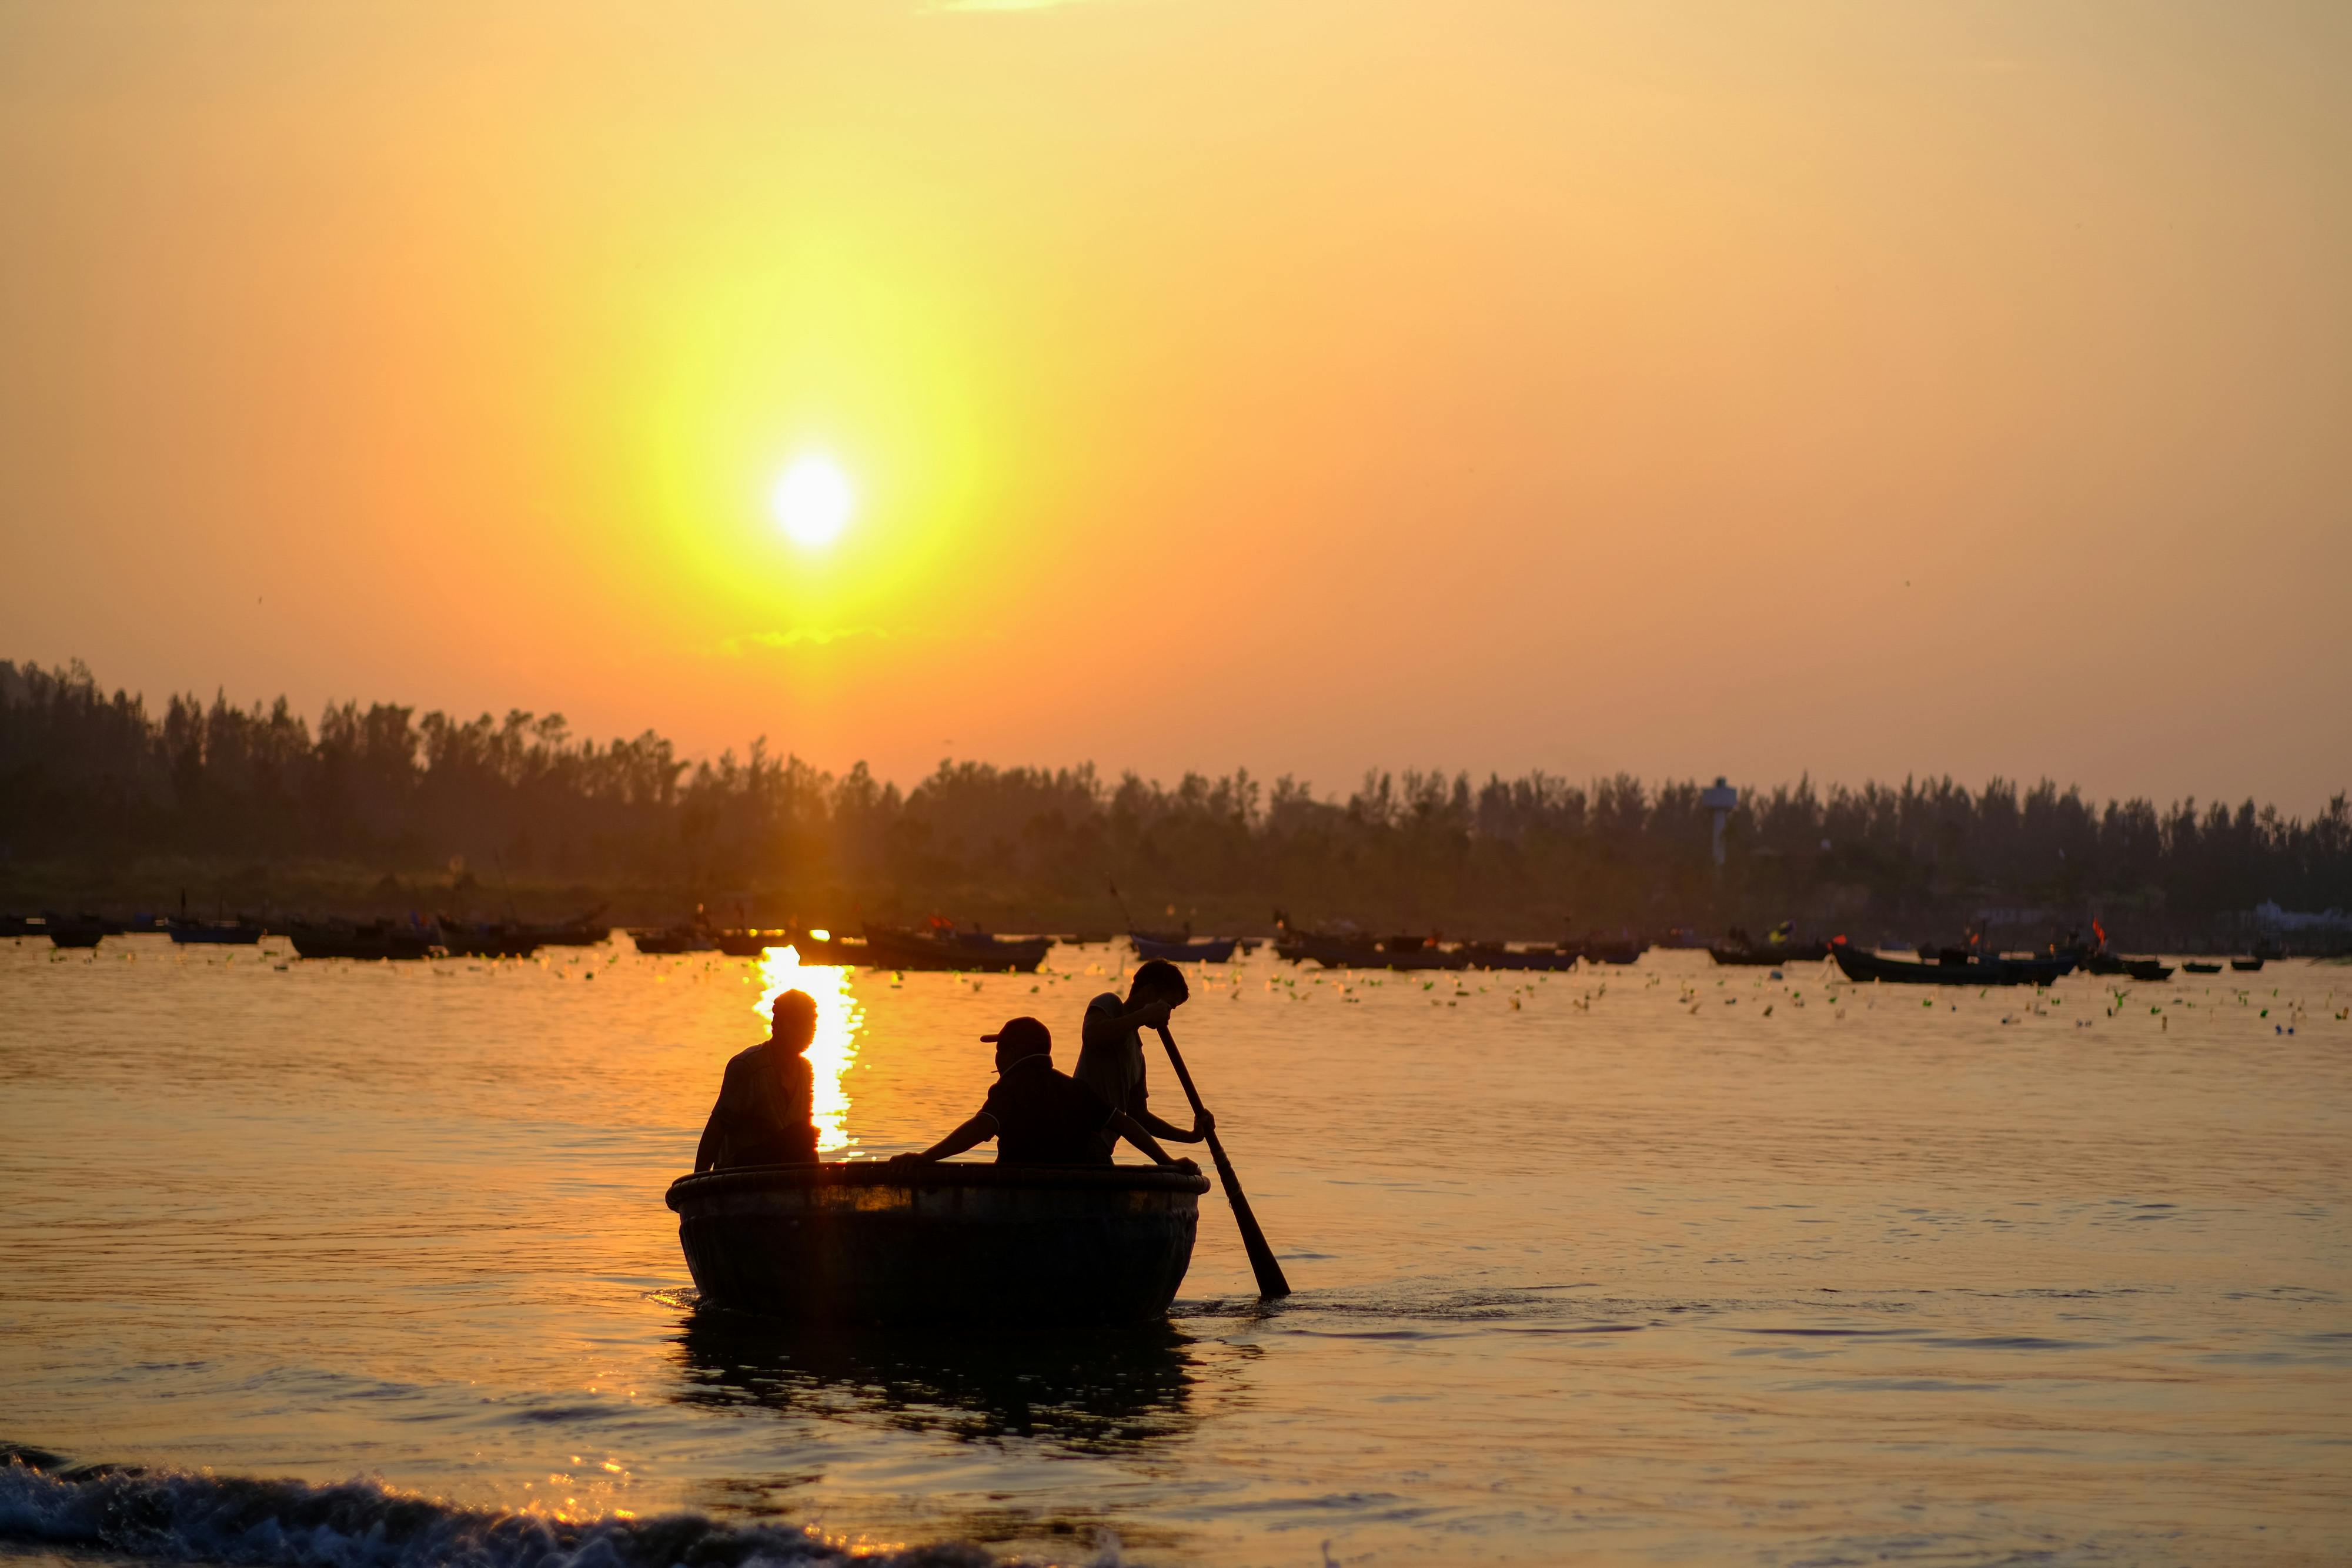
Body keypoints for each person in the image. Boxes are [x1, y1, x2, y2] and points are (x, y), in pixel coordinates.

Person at [888, 1016, 1196, 1169]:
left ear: (1012, 1054)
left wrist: (925, 1159)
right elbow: (1126, 1124)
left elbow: (981, 1128)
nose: (997, 1058)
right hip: (1075, 1198)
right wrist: (1167, 1163)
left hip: (1019, 1199)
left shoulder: (1010, 1087)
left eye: (1000, 1050)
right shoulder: (1075, 1089)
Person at [1075, 958, 1212, 1156]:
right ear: (1149, 993)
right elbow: (1092, 1035)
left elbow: (1139, 1117)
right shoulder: (1110, 1005)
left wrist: (1190, 1137)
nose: (1167, 1017)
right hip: (1077, 1136)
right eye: (1168, 1007)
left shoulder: (1138, 1056)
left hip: (1102, 1148)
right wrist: (1144, 1014)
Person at [694, 989, 820, 1171]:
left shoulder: (805, 1070)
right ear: (777, 1025)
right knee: (802, 1134)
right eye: (799, 1025)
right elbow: (717, 1127)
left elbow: (807, 1143)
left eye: (811, 1026)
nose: (808, 1033)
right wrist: (699, 1180)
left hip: (780, 1169)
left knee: (806, 1134)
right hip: (739, 1168)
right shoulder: (747, 1066)